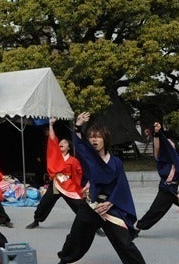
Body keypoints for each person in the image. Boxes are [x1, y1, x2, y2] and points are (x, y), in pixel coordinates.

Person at [57, 112, 145, 264]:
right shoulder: (88, 158)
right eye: (91, 137)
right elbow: (79, 144)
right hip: (91, 205)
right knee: (76, 238)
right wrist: (78, 126)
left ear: (105, 139)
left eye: (98, 137)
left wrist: (111, 202)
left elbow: (121, 185)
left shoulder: (116, 162)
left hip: (110, 207)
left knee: (124, 242)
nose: (94, 140)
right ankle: (63, 261)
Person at [26, 117, 83, 229]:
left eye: (65, 142)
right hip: (56, 184)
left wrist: (80, 186)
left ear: (69, 147)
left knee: (79, 205)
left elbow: (79, 173)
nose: (61, 143)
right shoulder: (55, 155)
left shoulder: (73, 160)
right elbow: (52, 140)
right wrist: (51, 125)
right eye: (60, 142)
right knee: (44, 203)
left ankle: (93, 225)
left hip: (68, 185)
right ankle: (36, 220)